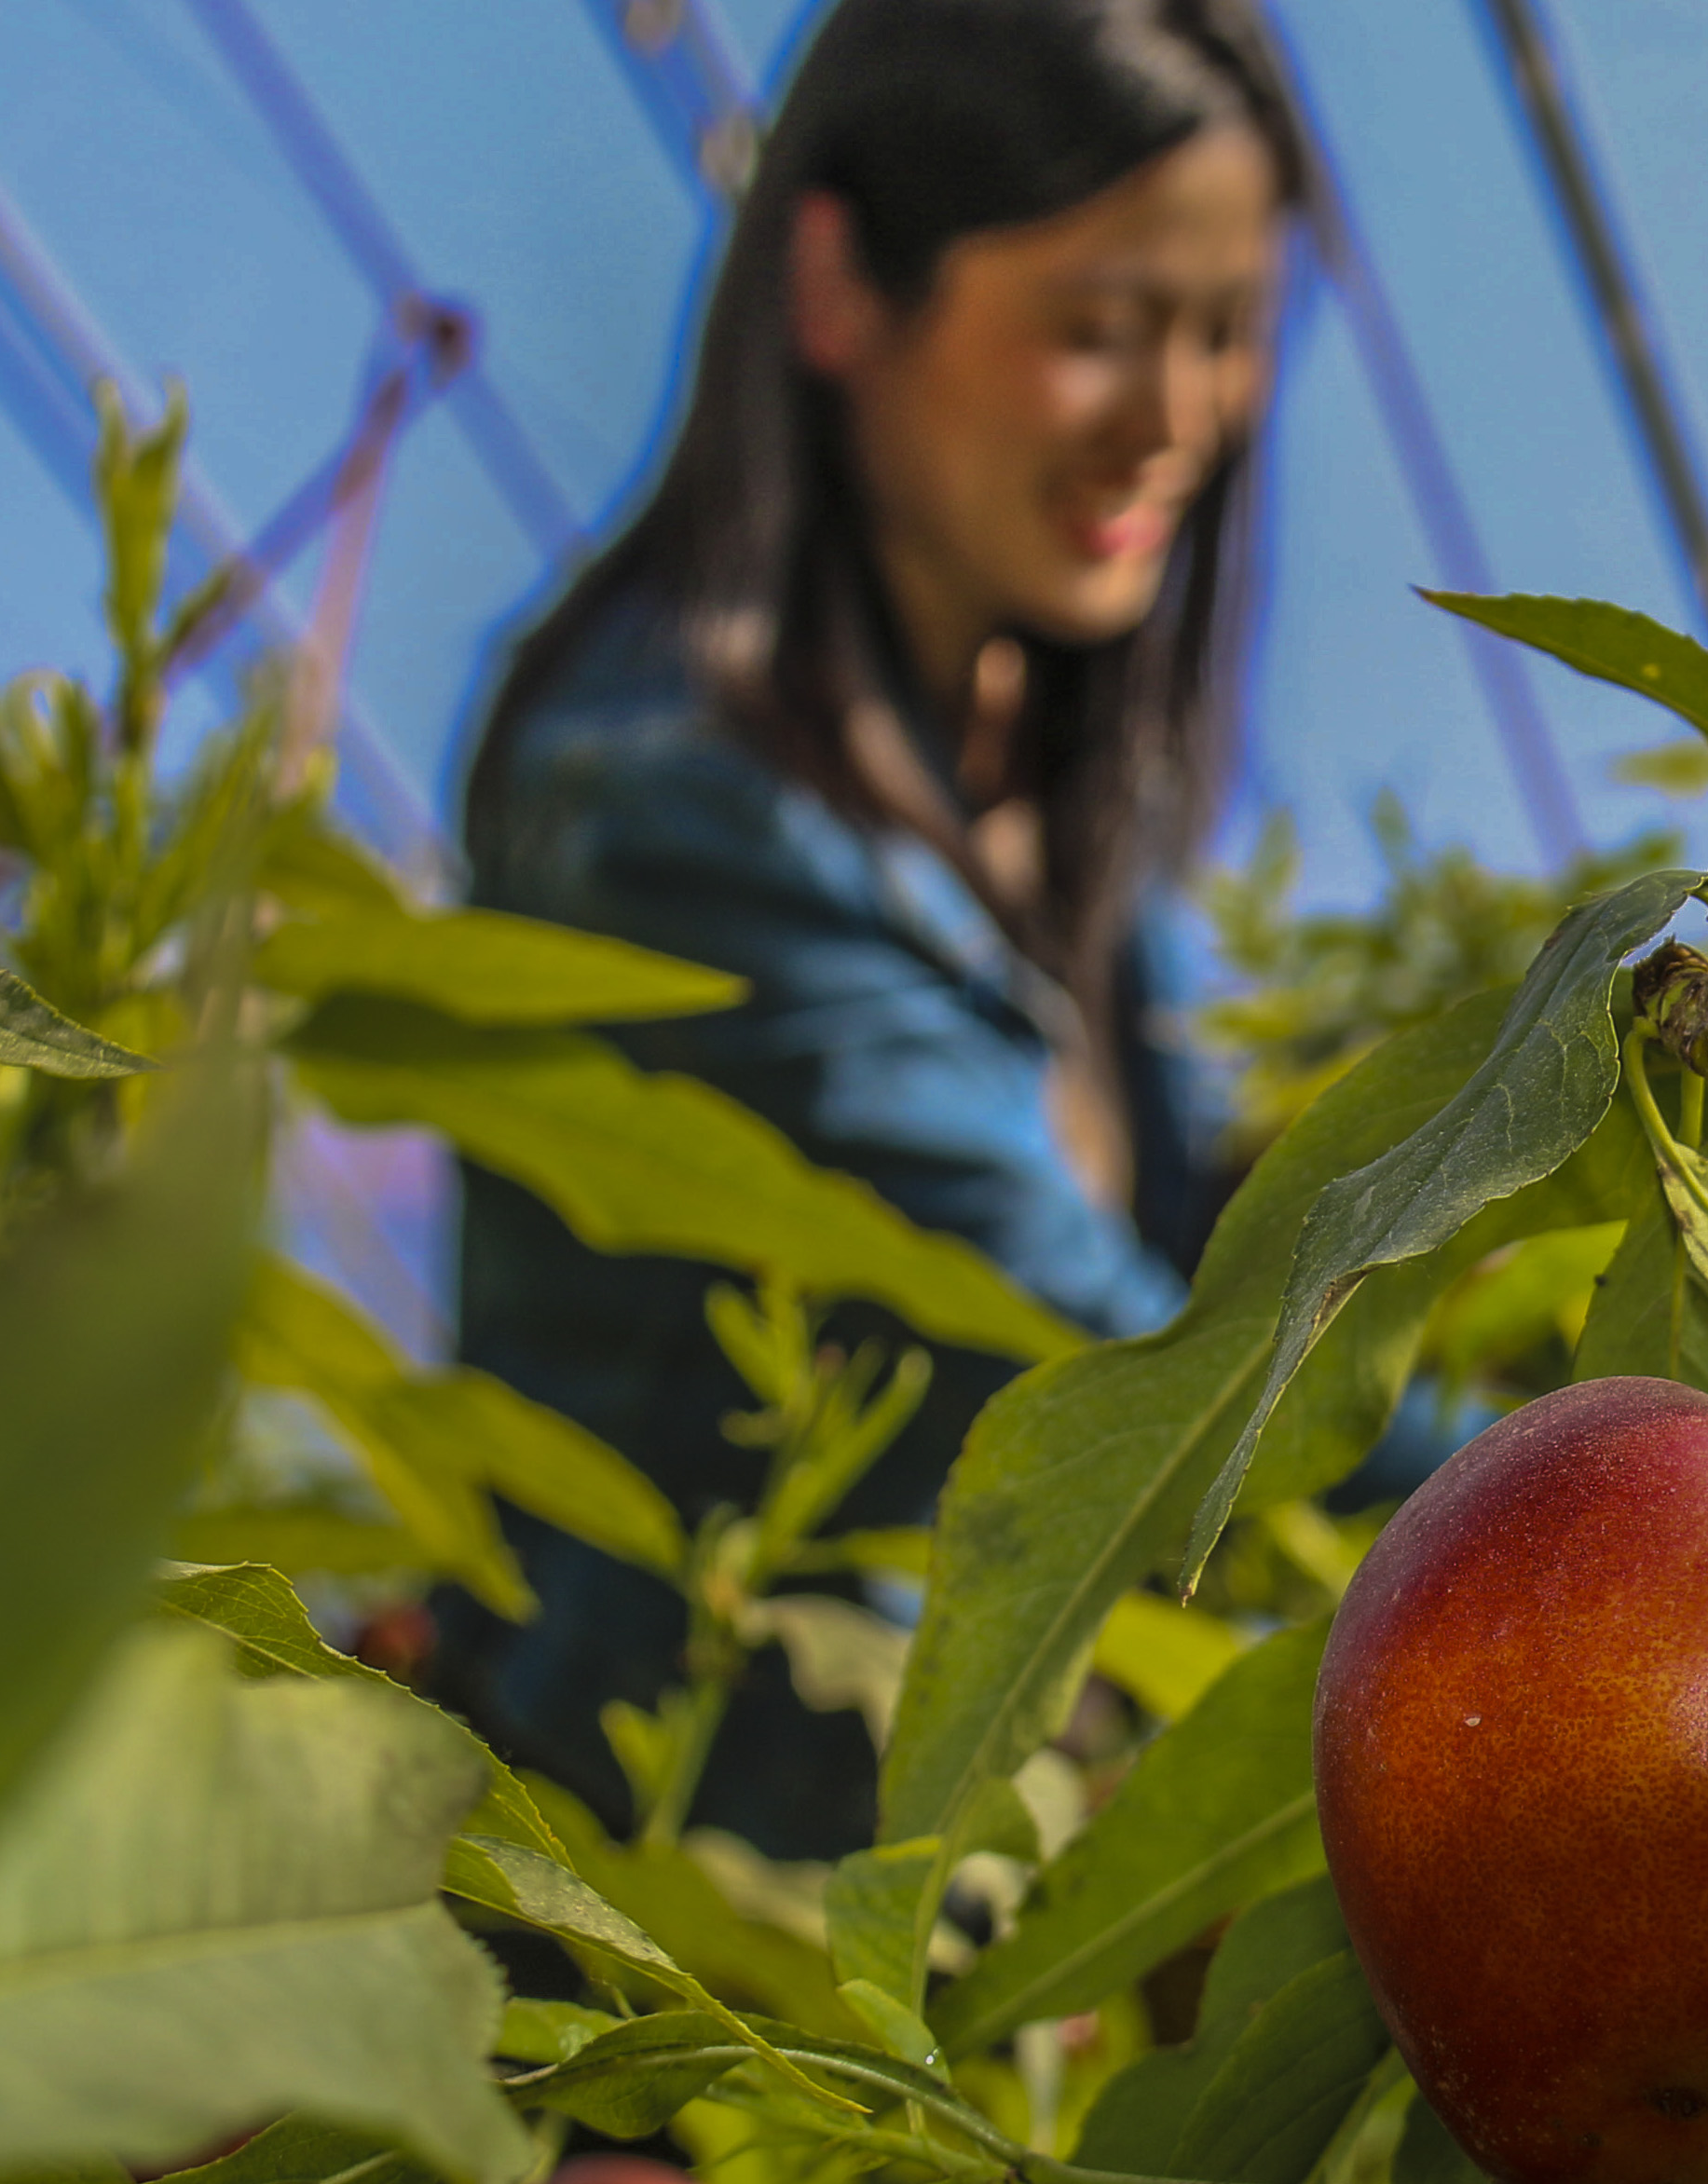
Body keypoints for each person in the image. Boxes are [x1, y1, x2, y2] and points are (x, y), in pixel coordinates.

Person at [444, 0, 1299, 1855]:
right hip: (660, 1912)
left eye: (1226, 335)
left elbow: (1212, 1248)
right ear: (837, 286)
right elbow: (1093, 1352)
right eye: (1100, 328)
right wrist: (1607, 1474)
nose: (1179, 419)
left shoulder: (1058, 835)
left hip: (919, 1909)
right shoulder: (664, 803)